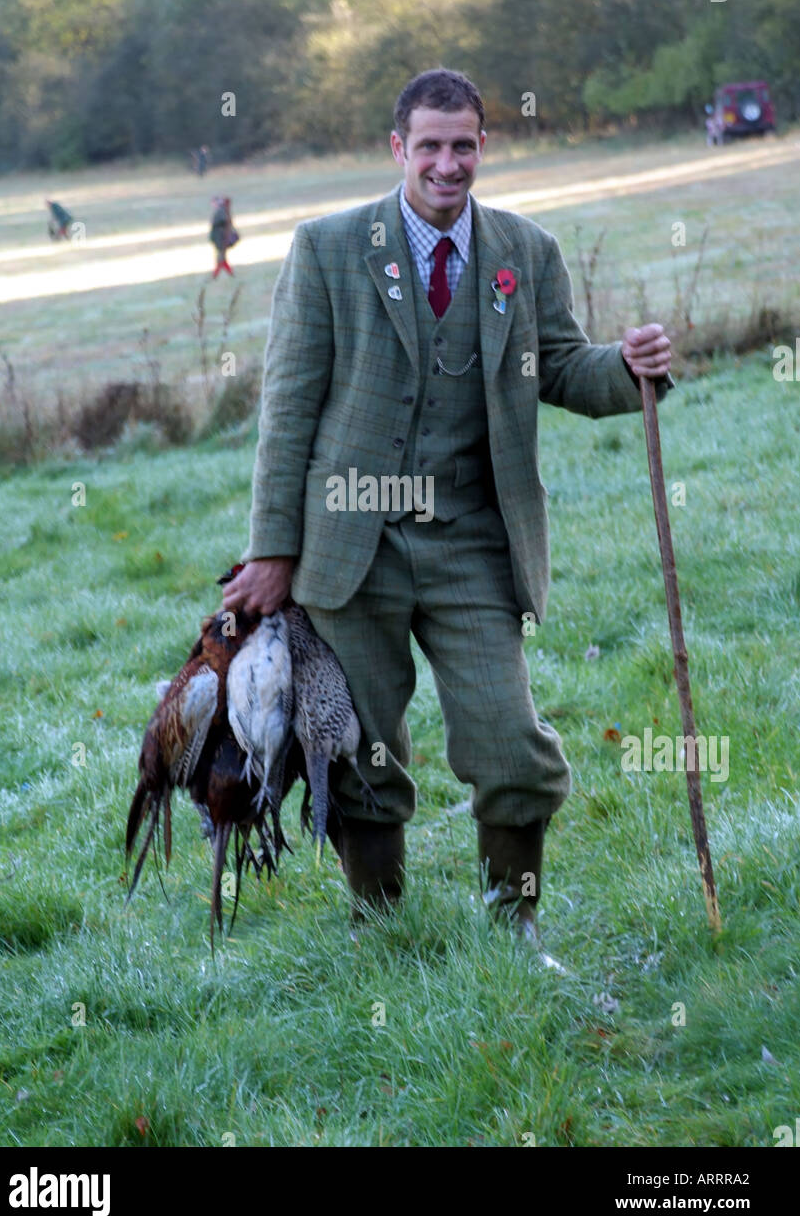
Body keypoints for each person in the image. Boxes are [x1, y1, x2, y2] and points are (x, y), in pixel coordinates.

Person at [221, 68, 673, 953]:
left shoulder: (525, 252)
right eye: (428, 145)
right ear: (398, 149)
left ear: (481, 148)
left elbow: (563, 369)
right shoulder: (326, 247)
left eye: (462, 144)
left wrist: (630, 366)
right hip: (351, 544)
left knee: (510, 747)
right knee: (360, 753)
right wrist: (271, 551)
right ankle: (378, 932)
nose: (446, 163)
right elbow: (286, 412)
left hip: (472, 541)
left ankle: (516, 930)